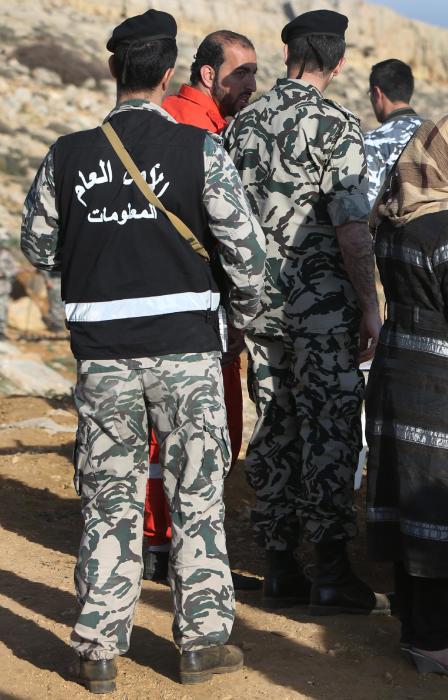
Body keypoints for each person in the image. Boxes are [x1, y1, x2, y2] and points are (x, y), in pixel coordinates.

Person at [19, 9, 266, 692]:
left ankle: (98, 649)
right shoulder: (198, 150)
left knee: (110, 498)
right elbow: (248, 257)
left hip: (103, 358)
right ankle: (200, 643)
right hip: (187, 355)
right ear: (167, 74)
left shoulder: (67, 154)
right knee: (196, 496)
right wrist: (240, 317)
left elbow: (38, 248)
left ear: (111, 70)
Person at [223, 9, 388, 615]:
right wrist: (370, 307)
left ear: (288, 54)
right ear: (339, 63)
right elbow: (351, 231)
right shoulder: (339, 125)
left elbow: (225, 222)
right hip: (323, 314)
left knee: (274, 428)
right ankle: (329, 569)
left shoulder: (241, 126)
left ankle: (278, 564)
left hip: (260, 311)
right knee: (331, 431)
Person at [366, 113, 448, 681]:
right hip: (439, 386)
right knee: (438, 506)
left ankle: (410, 625)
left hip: (397, 370)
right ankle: (432, 640)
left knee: (407, 497)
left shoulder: (394, 217)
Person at [142, 29, 260, 592]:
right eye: (242, 74)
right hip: (197, 316)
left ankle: (156, 544)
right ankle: (180, 552)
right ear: (208, 76)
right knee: (202, 438)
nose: (251, 86)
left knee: (165, 437)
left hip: (163, 312)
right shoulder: (194, 136)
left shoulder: (172, 123)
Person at [363, 58, 448, 208]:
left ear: (377, 93)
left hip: (397, 229)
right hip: (446, 226)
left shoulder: (373, 142)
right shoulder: (441, 136)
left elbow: (365, 204)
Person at [0, 247, 18, 340]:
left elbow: (15, 269)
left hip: (3, 288)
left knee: (2, 310)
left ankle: (1, 332)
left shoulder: (7, 256)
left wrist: (4, 273)